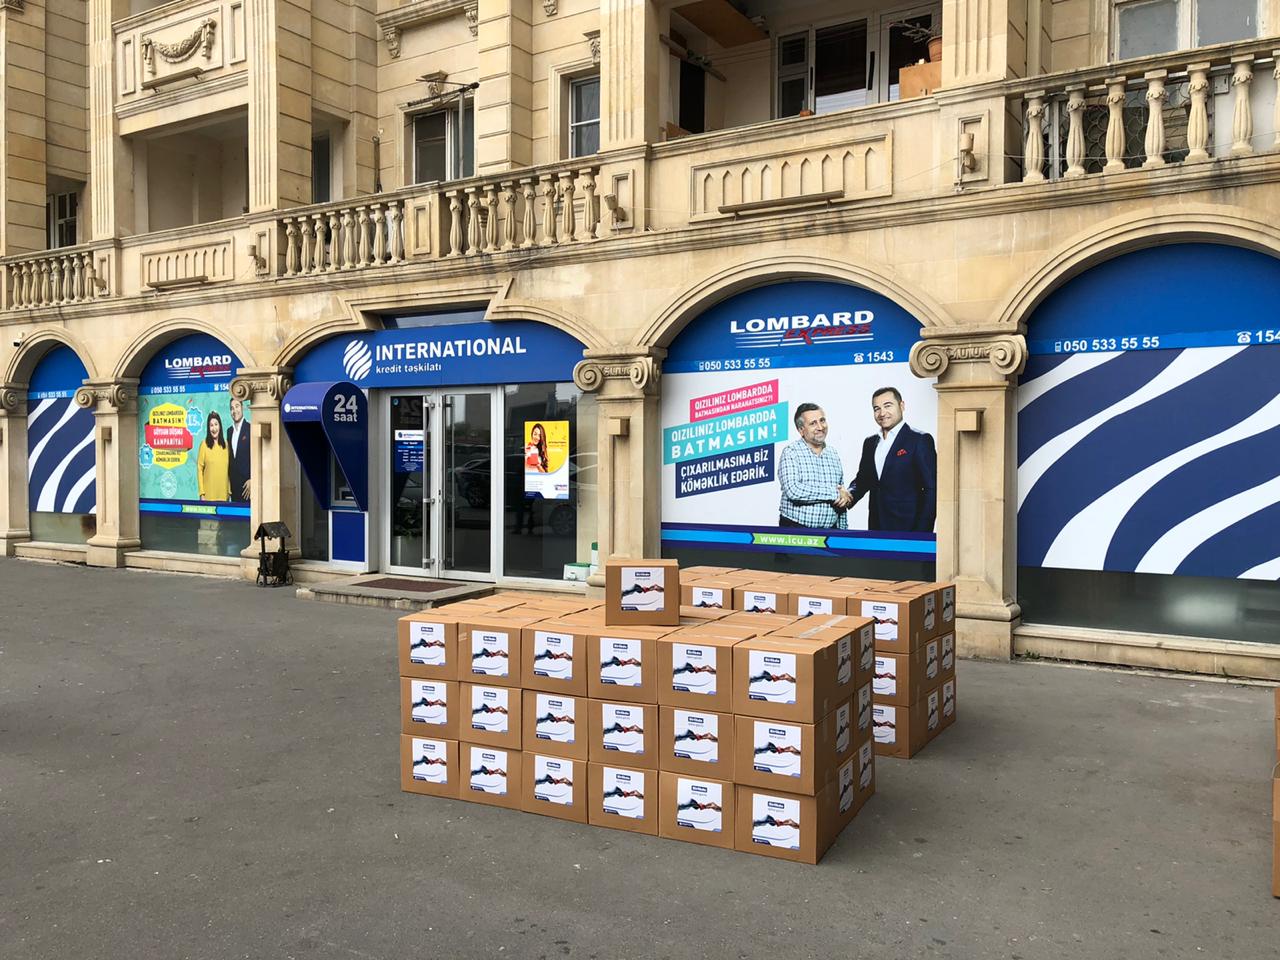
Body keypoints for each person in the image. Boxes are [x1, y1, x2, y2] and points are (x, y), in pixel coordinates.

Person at [841, 387, 936, 532]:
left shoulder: (919, 440)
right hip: (876, 526)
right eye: (877, 408)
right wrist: (849, 495)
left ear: (901, 406)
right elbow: (863, 480)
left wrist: (922, 534)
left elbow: (931, 489)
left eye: (888, 406)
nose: (882, 413)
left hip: (909, 529)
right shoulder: (870, 442)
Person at [776, 403, 847, 529]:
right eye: (813, 423)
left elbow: (841, 498)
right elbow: (794, 491)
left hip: (831, 531)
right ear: (801, 430)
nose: (820, 427)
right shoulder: (791, 452)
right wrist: (833, 493)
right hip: (795, 529)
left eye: (822, 420)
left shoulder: (833, 454)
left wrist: (843, 531)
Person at [196, 410, 231, 502]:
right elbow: (199, 469)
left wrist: (229, 491)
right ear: (208, 428)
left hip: (224, 497)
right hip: (208, 497)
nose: (214, 428)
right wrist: (202, 494)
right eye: (211, 425)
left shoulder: (226, 445)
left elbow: (229, 470)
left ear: (220, 426)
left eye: (216, 424)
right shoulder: (204, 445)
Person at [227, 397, 251, 502]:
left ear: (242, 407)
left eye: (237, 406)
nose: (234, 411)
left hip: (248, 486)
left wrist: (253, 479)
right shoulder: (229, 431)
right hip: (234, 487)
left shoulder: (250, 428)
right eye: (232, 408)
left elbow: (257, 456)